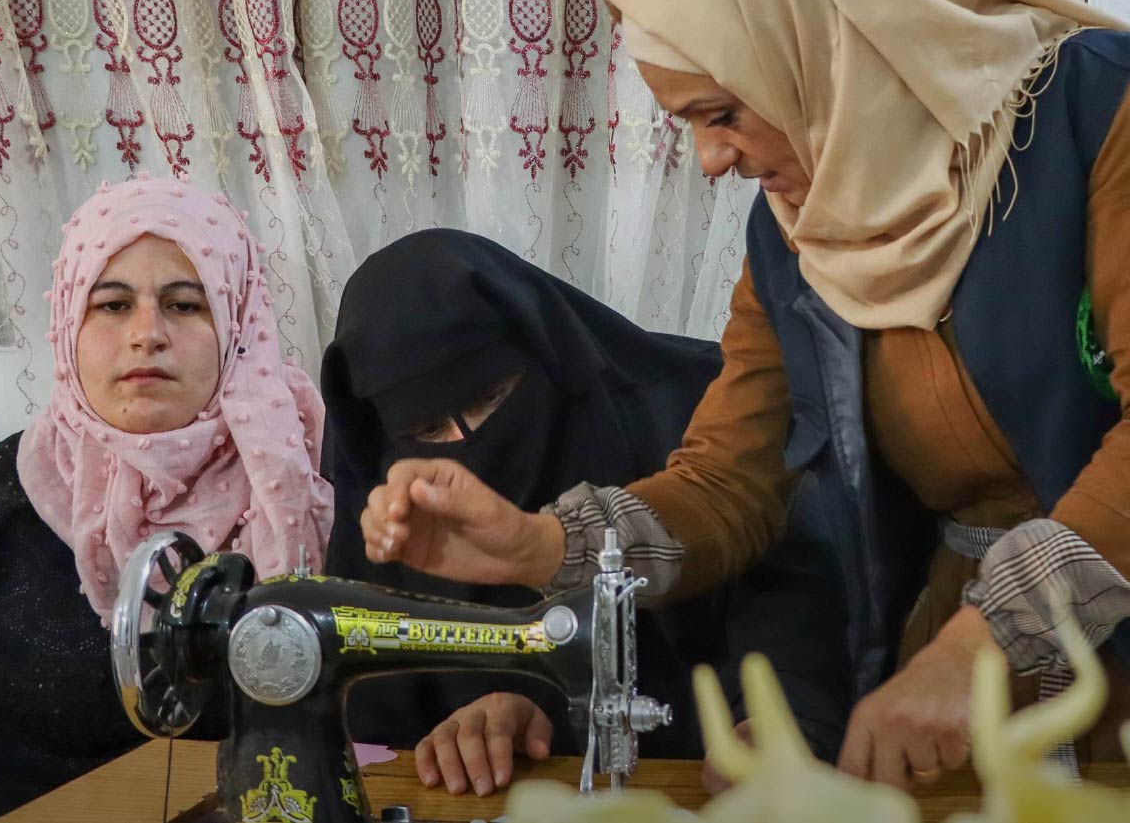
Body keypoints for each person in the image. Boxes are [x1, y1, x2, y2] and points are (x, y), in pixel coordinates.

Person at [354, 0, 1130, 823]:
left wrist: (978, 651)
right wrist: (540, 546)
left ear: (824, 38)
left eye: (721, 112)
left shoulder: (1107, 118)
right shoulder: (801, 231)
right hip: (970, 680)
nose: (712, 160)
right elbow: (733, 477)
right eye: (689, 123)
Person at [0, 175, 334, 823]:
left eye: (186, 304)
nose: (147, 333)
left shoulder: (314, 489)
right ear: (67, 326)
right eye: (112, 304)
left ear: (238, 324)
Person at [321, 228, 852, 796]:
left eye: (491, 398)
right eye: (428, 431)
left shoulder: (696, 414)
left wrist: (779, 723)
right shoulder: (389, 503)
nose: (467, 443)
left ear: (548, 350)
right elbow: (381, 716)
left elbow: (791, 596)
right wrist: (489, 723)